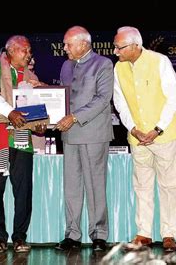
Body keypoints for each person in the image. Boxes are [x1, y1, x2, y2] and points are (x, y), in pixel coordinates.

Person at [112, 26, 176, 252]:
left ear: (135, 45)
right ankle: (144, 234)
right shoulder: (118, 68)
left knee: (169, 186)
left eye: (119, 47)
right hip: (137, 139)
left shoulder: (160, 61)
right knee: (142, 186)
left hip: (164, 136)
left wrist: (157, 129)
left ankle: (169, 234)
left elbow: (174, 98)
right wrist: (133, 129)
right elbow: (119, 102)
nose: (115, 51)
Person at [0, 35, 47, 253]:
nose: (29, 54)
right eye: (24, 50)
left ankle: (19, 238)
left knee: (23, 192)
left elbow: (36, 108)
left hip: (21, 141)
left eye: (29, 51)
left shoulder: (31, 76)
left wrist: (40, 124)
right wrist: (10, 112)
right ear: (10, 51)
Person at [54, 26, 114, 252]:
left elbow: (102, 99)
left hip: (94, 133)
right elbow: (62, 98)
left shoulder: (103, 64)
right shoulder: (66, 66)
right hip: (69, 135)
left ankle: (99, 234)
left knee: (95, 185)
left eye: (68, 44)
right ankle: (72, 234)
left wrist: (75, 117)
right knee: (71, 186)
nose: (65, 48)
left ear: (83, 44)